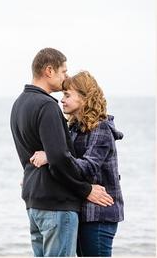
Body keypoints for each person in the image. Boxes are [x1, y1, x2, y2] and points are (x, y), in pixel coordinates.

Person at [10, 48, 114, 257]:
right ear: (49, 70)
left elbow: (30, 158)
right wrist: (85, 190)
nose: (66, 77)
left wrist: (32, 175)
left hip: (34, 202)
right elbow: (58, 158)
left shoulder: (19, 104)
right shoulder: (47, 106)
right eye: (63, 72)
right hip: (56, 204)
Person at [30, 71, 124, 257]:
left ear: (84, 98)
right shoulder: (73, 128)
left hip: (99, 214)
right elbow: (65, 164)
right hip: (81, 210)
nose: (62, 100)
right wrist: (35, 176)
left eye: (67, 95)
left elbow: (88, 168)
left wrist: (51, 156)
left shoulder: (101, 128)